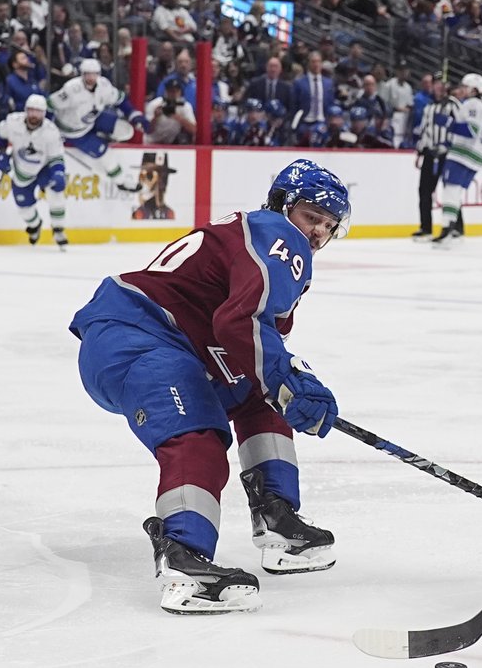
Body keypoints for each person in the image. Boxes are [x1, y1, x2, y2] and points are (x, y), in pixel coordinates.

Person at [68, 161, 349, 614]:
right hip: (138, 336)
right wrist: (293, 377)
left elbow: (248, 340)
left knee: (265, 395)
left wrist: (286, 382)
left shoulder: (260, 238)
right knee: (197, 433)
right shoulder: (280, 237)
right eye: (311, 217)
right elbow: (241, 323)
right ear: (282, 206)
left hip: (169, 342)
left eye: (328, 225)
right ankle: (184, 559)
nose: (317, 232)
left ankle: (276, 519)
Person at [49, 58, 148, 192]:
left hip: (93, 119)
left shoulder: (104, 85)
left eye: (94, 74)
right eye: (87, 74)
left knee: (126, 131)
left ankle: (103, 136)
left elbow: (120, 99)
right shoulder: (71, 89)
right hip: (74, 132)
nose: (90, 77)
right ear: (81, 74)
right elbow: (49, 105)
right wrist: (50, 130)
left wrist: (134, 115)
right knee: (106, 154)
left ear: (99, 74)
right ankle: (121, 182)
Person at [0, 93, 68, 246]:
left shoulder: (51, 131)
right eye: (31, 110)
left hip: (44, 168)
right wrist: (1, 154)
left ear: (44, 113)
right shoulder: (12, 121)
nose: (34, 114)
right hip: (22, 170)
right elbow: (1, 136)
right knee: (24, 208)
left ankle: (58, 228)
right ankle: (35, 225)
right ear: (26, 110)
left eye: (38, 111)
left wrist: (58, 172)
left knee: (56, 194)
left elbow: (56, 158)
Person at [430, 72, 482, 247]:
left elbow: (471, 131)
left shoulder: (473, 104)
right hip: (473, 154)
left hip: (464, 154)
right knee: (454, 191)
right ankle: (451, 228)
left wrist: (447, 123)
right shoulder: (479, 105)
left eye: (465, 87)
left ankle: (447, 228)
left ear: (474, 89)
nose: (462, 90)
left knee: (451, 189)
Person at [410, 77, 457, 240]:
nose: (438, 87)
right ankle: (426, 228)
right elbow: (424, 131)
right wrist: (419, 152)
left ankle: (455, 227)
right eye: (436, 84)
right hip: (430, 154)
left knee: (451, 190)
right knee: (424, 191)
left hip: (447, 155)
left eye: (441, 84)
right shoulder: (429, 107)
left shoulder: (453, 105)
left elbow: (460, 128)